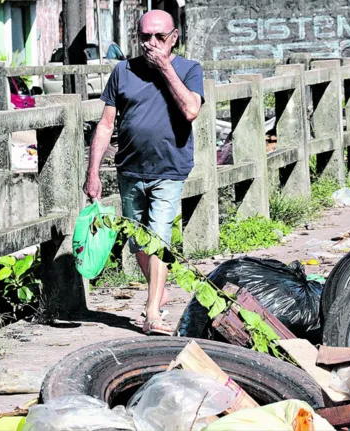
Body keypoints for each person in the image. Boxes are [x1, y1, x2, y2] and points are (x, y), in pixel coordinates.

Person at [82, 10, 205, 335]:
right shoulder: (123, 71)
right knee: (138, 241)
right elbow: (106, 124)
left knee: (158, 237)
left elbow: (191, 110)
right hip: (130, 169)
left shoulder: (189, 69)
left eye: (159, 37)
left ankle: (152, 313)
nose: (152, 43)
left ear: (173, 38)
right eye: (146, 37)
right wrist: (93, 172)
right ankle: (157, 287)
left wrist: (164, 67)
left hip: (170, 168)